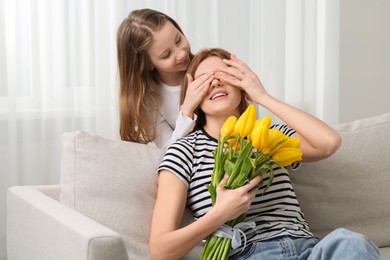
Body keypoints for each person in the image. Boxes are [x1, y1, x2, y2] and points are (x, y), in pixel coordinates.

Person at [150, 48, 380, 259]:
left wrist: (262, 96)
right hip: (247, 253)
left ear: (242, 84)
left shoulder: (269, 135)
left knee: (351, 243)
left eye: (226, 74)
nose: (216, 82)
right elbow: (160, 250)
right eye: (204, 79)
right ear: (192, 95)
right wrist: (220, 214)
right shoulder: (184, 150)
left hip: (308, 248)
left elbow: (328, 143)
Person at [117, 8, 214, 149]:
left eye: (178, 40)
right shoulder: (149, 102)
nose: (181, 54)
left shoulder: (206, 65)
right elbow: (170, 150)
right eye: (166, 55)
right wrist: (187, 111)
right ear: (148, 64)